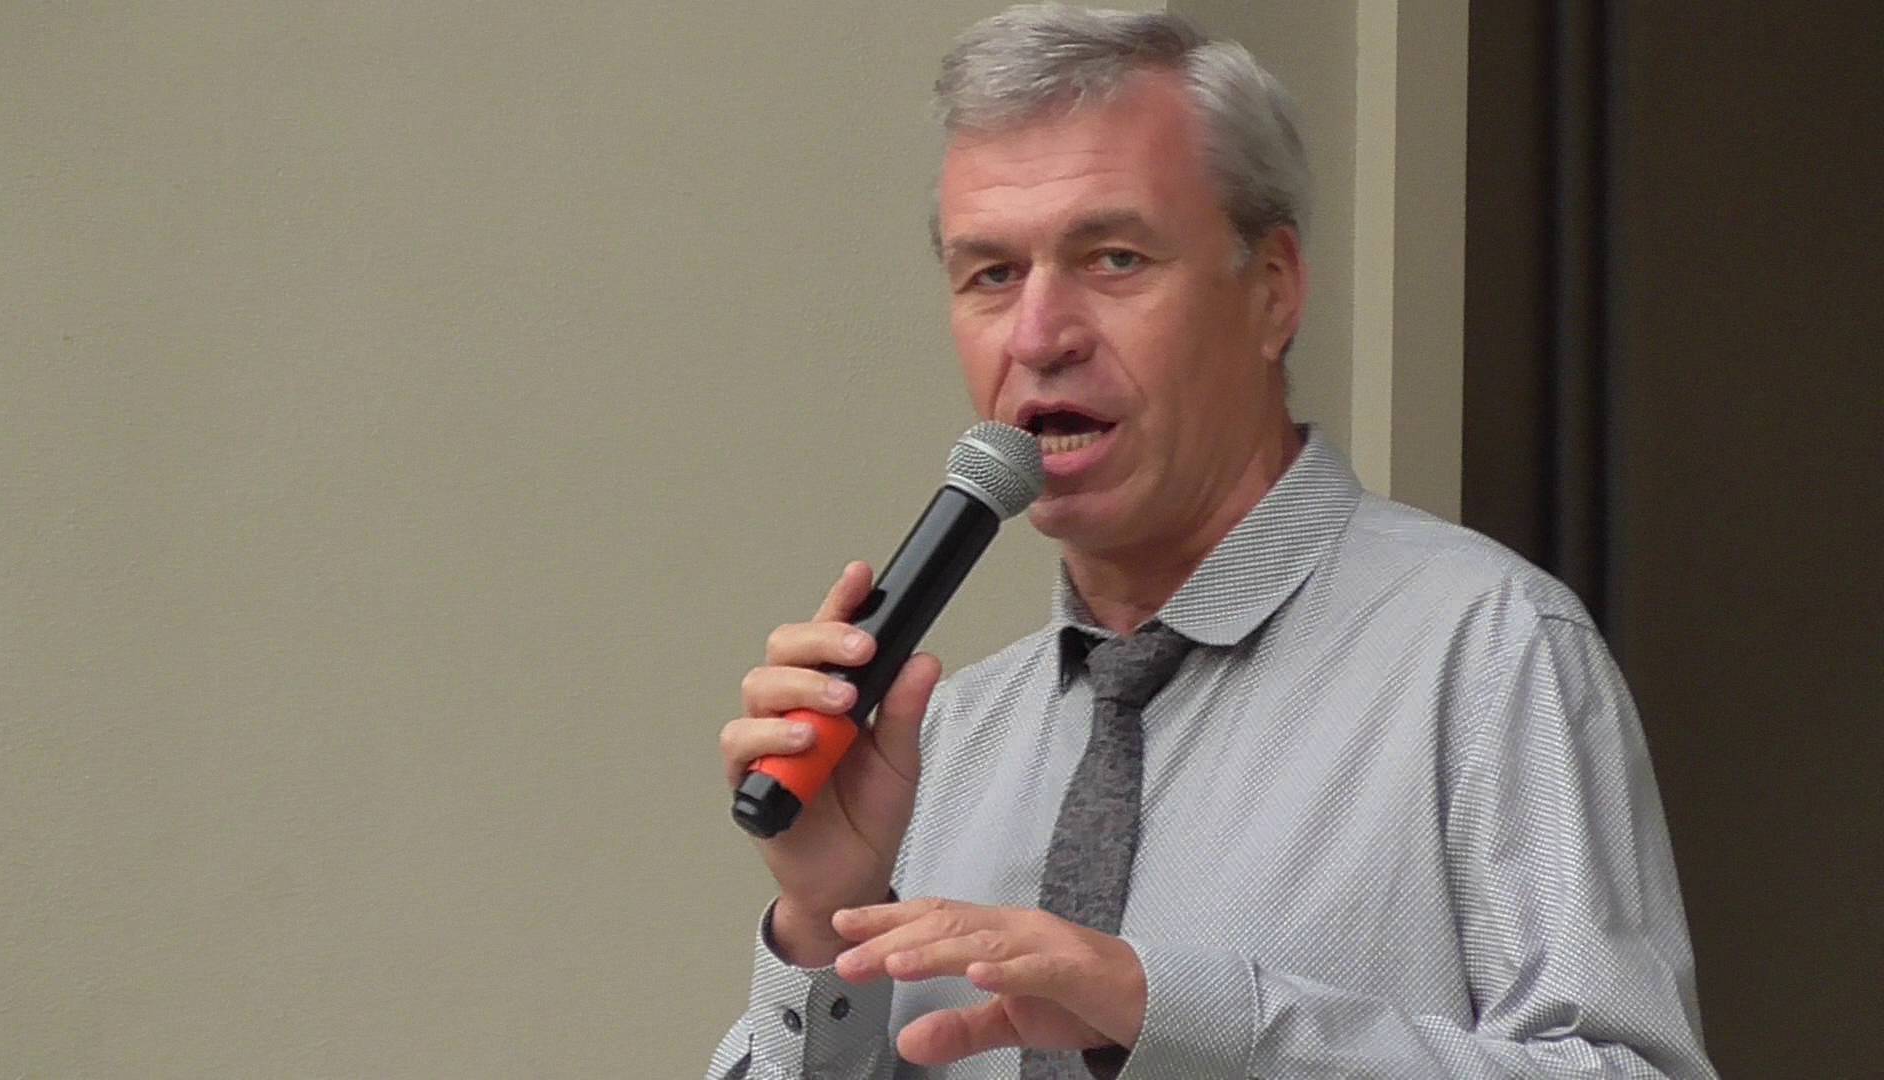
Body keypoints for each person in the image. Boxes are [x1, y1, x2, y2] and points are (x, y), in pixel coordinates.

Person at [709, 6, 1714, 1078]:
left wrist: (1177, 1014)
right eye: (993, 274)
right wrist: (822, 920)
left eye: (1113, 258)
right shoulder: (945, 741)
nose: (1041, 336)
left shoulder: (1488, 650)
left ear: (1273, 292)